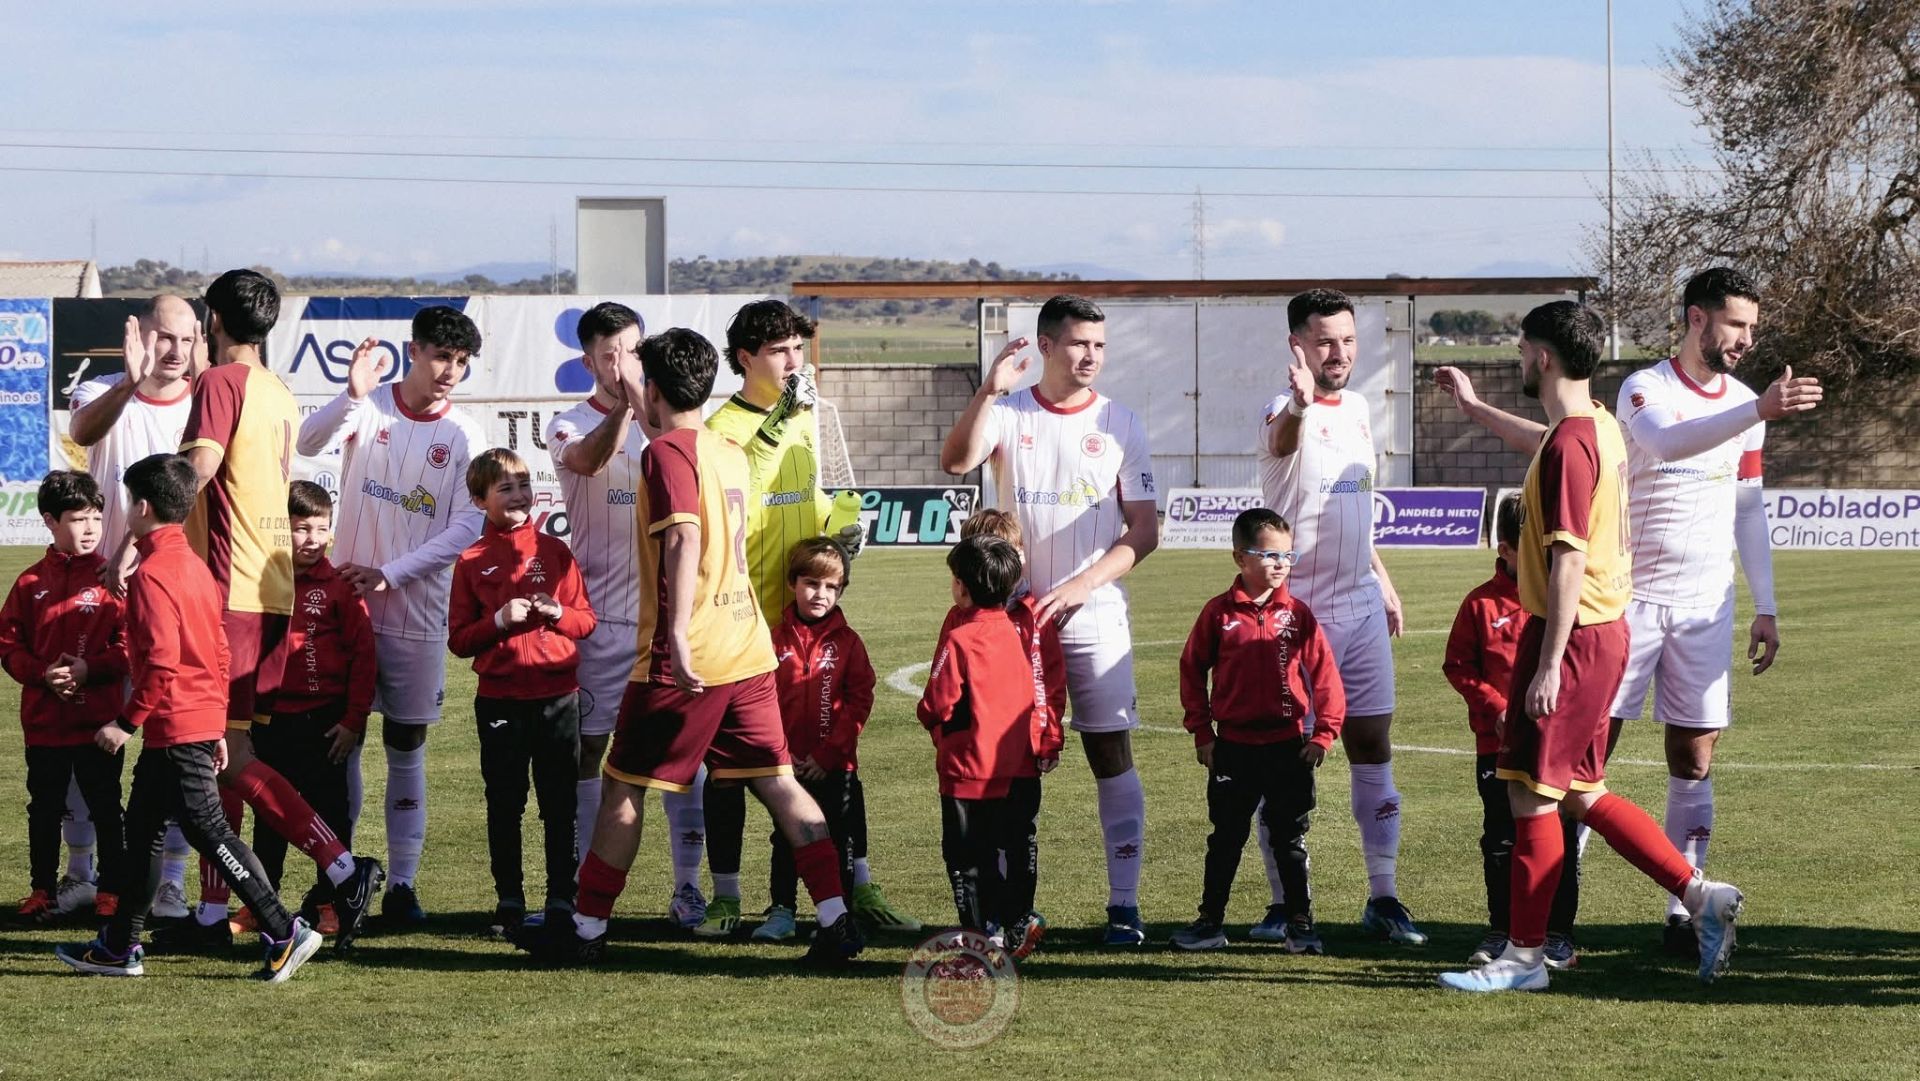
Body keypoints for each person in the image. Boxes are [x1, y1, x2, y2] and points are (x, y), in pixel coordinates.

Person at [1434, 268, 1819, 953]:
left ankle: (1568, 937)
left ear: (1542, 356)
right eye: (1738, 323)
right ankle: (1649, 904)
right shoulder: (1629, 404)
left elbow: (1734, 504)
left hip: (1622, 619)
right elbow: (1605, 446)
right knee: (1580, 780)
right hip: (1626, 610)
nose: (1747, 338)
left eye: (1752, 326)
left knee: (1561, 784)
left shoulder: (1616, 428)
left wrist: (1765, 601)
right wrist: (1474, 410)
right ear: (1697, 318)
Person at [526, 328, 863, 966]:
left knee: (623, 786)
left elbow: (681, 538)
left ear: (651, 391)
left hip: (692, 656)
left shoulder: (664, 457)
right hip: (748, 646)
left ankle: (587, 928)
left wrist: (676, 636)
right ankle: (835, 916)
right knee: (779, 781)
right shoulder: (723, 447)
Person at [166, 269, 382, 953]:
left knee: (216, 757)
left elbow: (198, 468)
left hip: (229, 592)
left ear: (212, 318)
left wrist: (153, 531)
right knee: (228, 750)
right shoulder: (277, 391)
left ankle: (342, 868)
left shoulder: (221, 383)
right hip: (271, 591)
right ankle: (209, 912)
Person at [939, 294, 1159, 946]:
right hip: (1007, 625)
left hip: (1092, 614)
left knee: (1109, 751)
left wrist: (1080, 586)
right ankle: (1008, 914)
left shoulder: (1122, 422)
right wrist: (988, 389)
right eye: (1078, 344)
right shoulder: (1009, 413)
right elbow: (956, 462)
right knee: (1005, 768)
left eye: (1099, 345)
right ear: (1046, 345)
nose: (1090, 356)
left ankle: (1124, 905)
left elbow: (1144, 530)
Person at [54, 453, 323, 981]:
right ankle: (120, 945)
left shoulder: (155, 572)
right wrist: (219, 723)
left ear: (143, 508)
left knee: (209, 831)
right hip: (191, 722)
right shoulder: (194, 566)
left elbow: (161, 662)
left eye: (129, 503)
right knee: (145, 833)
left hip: (175, 725)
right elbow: (218, 651)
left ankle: (283, 928)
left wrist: (124, 722)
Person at [700, 299, 889, 936]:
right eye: (779, 350)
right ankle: (727, 898)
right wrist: (780, 418)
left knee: (836, 759)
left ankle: (860, 888)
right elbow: (746, 485)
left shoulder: (805, 416)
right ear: (745, 358)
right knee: (732, 769)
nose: (792, 361)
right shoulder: (722, 427)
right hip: (746, 622)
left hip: (811, 619)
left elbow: (807, 503)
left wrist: (839, 533)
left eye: (797, 349)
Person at [297, 304, 488, 923]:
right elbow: (308, 442)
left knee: (407, 742)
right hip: (344, 611)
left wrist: (392, 572)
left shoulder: (466, 434)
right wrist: (349, 394)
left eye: (461, 362)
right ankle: (342, 875)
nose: (450, 372)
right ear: (414, 350)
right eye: (441, 356)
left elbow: (469, 522)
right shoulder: (371, 404)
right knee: (338, 743)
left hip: (416, 611)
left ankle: (402, 885)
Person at [1255, 287, 1422, 946]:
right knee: (1290, 761)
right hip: (1298, 615)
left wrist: (1383, 580)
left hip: (1357, 604)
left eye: (1348, 340)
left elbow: (1357, 507)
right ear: (1297, 344)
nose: (1339, 353)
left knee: (1374, 745)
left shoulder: (1357, 408)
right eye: (1325, 341)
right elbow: (1282, 435)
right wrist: (1299, 401)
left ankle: (1384, 896)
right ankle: (1281, 903)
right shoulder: (1281, 406)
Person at [545, 301, 709, 929]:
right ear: (587, 360)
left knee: (682, 755)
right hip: (601, 623)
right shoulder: (566, 423)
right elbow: (585, 460)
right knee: (590, 751)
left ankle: (689, 887)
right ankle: (590, 888)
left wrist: (645, 405)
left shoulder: (673, 428)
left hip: (668, 620)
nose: (621, 364)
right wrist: (623, 405)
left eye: (632, 352)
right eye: (608, 354)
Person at [67, 295, 202, 917]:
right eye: (164, 339)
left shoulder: (208, 404)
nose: (174, 353)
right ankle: (80, 874)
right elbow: (81, 433)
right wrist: (129, 379)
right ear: (141, 334)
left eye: (186, 339)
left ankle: (169, 879)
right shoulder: (105, 388)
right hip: (99, 596)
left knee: (170, 742)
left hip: (171, 593)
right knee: (82, 737)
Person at [1172, 508, 1342, 955]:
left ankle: (1301, 924)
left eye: (1287, 555)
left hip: (1288, 747)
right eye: (1268, 554)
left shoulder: (1298, 614)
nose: (1280, 564)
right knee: (1225, 838)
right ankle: (1210, 922)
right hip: (1233, 748)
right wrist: (1202, 732)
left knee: (1289, 838)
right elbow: (1192, 670)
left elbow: (1325, 674)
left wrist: (1324, 732)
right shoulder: (1217, 614)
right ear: (1239, 558)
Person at [448, 448, 595, 936]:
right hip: (501, 700)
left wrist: (558, 613)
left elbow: (586, 621)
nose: (518, 495)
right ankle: (509, 900)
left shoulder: (556, 553)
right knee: (505, 802)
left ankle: (560, 898)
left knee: (559, 802)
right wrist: (496, 622)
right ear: (479, 499)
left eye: (523, 485)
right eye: (504, 488)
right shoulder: (470, 561)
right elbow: (459, 639)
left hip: (558, 698)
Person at [1443, 493, 1582, 968]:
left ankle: (1558, 934)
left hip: (1556, 745)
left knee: (1557, 833)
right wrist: (1495, 706)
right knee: (1502, 838)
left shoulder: (1565, 597)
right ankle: (1501, 931)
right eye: (1533, 544)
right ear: (1504, 549)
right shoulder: (1480, 604)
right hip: (1497, 745)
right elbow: (1458, 665)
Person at [752, 536, 909, 942]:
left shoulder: (849, 643)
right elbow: (762, 699)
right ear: (792, 583)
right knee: (785, 836)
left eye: (830, 587)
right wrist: (781, 755)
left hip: (836, 766)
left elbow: (859, 702)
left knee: (839, 838)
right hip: (785, 767)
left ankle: (835, 915)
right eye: (811, 583)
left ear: (841, 590)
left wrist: (827, 754)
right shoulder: (773, 639)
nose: (819, 594)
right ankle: (782, 910)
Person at [917, 535, 1062, 959]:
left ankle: (979, 942)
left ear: (961, 586)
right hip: (1015, 764)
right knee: (1012, 843)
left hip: (967, 771)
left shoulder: (961, 637)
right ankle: (1016, 924)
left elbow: (937, 700)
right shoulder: (1017, 633)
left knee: (966, 859)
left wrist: (928, 718)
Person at [247, 481, 374, 936]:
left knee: (330, 814)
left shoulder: (341, 587)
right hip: (271, 720)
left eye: (322, 529)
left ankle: (332, 905)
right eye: (301, 529)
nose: (313, 539)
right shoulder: (261, 580)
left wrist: (352, 721)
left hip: (326, 723)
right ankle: (262, 904)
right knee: (270, 814)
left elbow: (364, 657)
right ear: (281, 530)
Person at [2, 470, 127, 923]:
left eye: (96, 517)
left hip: (98, 721)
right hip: (44, 723)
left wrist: (89, 669)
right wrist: (41, 674)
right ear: (50, 521)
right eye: (78, 519)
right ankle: (41, 888)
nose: (91, 528)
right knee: (45, 807)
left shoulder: (114, 579)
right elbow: (9, 646)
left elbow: (130, 645)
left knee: (106, 805)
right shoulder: (30, 583)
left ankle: (111, 888)